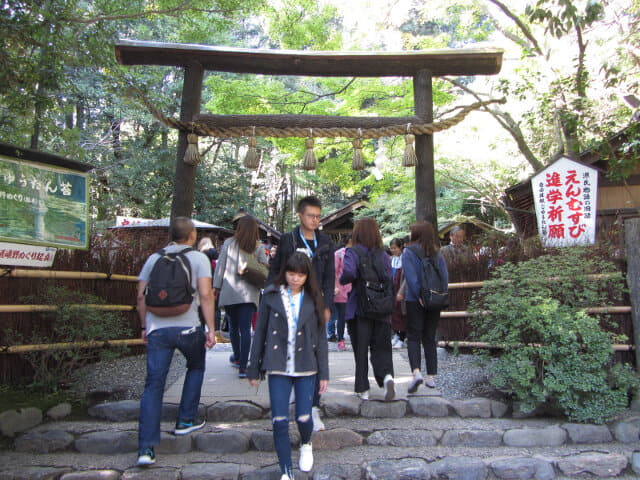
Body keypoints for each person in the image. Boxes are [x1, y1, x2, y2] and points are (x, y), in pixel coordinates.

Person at [135, 217, 216, 466]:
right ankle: (185, 420)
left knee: (154, 384)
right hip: (188, 327)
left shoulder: (154, 258)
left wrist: (143, 327)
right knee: (196, 366)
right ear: (191, 235)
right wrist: (211, 329)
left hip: (157, 329)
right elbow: (205, 295)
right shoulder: (198, 258)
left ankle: (146, 449)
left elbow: (140, 296)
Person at [248, 252, 329, 480]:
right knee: (279, 420)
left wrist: (324, 373)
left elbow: (321, 338)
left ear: (307, 276)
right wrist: (253, 367)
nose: (295, 278)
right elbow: (260, 332)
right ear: (284, 273)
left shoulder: (314, 297)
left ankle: (306, 443)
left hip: (306, 365)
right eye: (291, 273)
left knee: (304, 417)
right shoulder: (271, 295)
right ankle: (286, 471)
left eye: (300, 275)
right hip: (277, 364)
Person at [268, 195, 334, 431]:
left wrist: (327, 306)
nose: (315, 220)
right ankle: (284, 403)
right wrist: (270, 298)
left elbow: (329, 277)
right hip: (290, 302)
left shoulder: (325, 242)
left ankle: (313, 407)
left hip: (315, 305)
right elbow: (275, 271)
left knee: (315, 353)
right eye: (310, 215)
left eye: (318, 216)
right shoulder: (287, 240)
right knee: (287, 348)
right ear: (300, 216)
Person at [340, 217, 395, 401]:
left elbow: (348, 273)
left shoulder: (352, 252)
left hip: (360, 307)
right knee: (382, 347)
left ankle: (363, 389)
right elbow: (390, 278)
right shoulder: (383, 254)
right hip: (382, 308)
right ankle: (386, 377)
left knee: (361, 350)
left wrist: (342, 281)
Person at [213, 215, 268, 378]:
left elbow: (220, 267)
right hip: (249, 294)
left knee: (233, 328)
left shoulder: (228, 244)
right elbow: (264, 268)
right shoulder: (257, 246)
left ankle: (237, 358)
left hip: (229, 291)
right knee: (246, 329)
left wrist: (216, 287)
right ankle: (244, 367)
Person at [402, 220, 449, 393]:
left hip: (415, 300)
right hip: (435, 299)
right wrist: (439, 295)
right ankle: (431, 376)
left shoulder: (408, 252)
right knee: (430, 336)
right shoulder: (437, 253)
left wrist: (419, 296)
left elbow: (411, 278)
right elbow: (444, 277)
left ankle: (416, 372)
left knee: (414, 336)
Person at [333, 235, 352, 351]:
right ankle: (340, 339)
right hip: (341, 289)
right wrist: (335, 286)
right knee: (342, 315)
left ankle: (354, 337)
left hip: (354, 290)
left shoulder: (357, 253)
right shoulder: (339, 254)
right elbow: (334, 272)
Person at [389, 237, 406, 348]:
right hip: (392, 290)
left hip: (401, 291)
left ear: (400, 247)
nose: (393, 250)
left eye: (395, 248)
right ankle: (395, 334)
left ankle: (402, 337)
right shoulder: (392, 260)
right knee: (393, 313)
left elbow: (406, 278)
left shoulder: (404, 259)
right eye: (391, 248)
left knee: (402, 313)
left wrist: (401, 291)